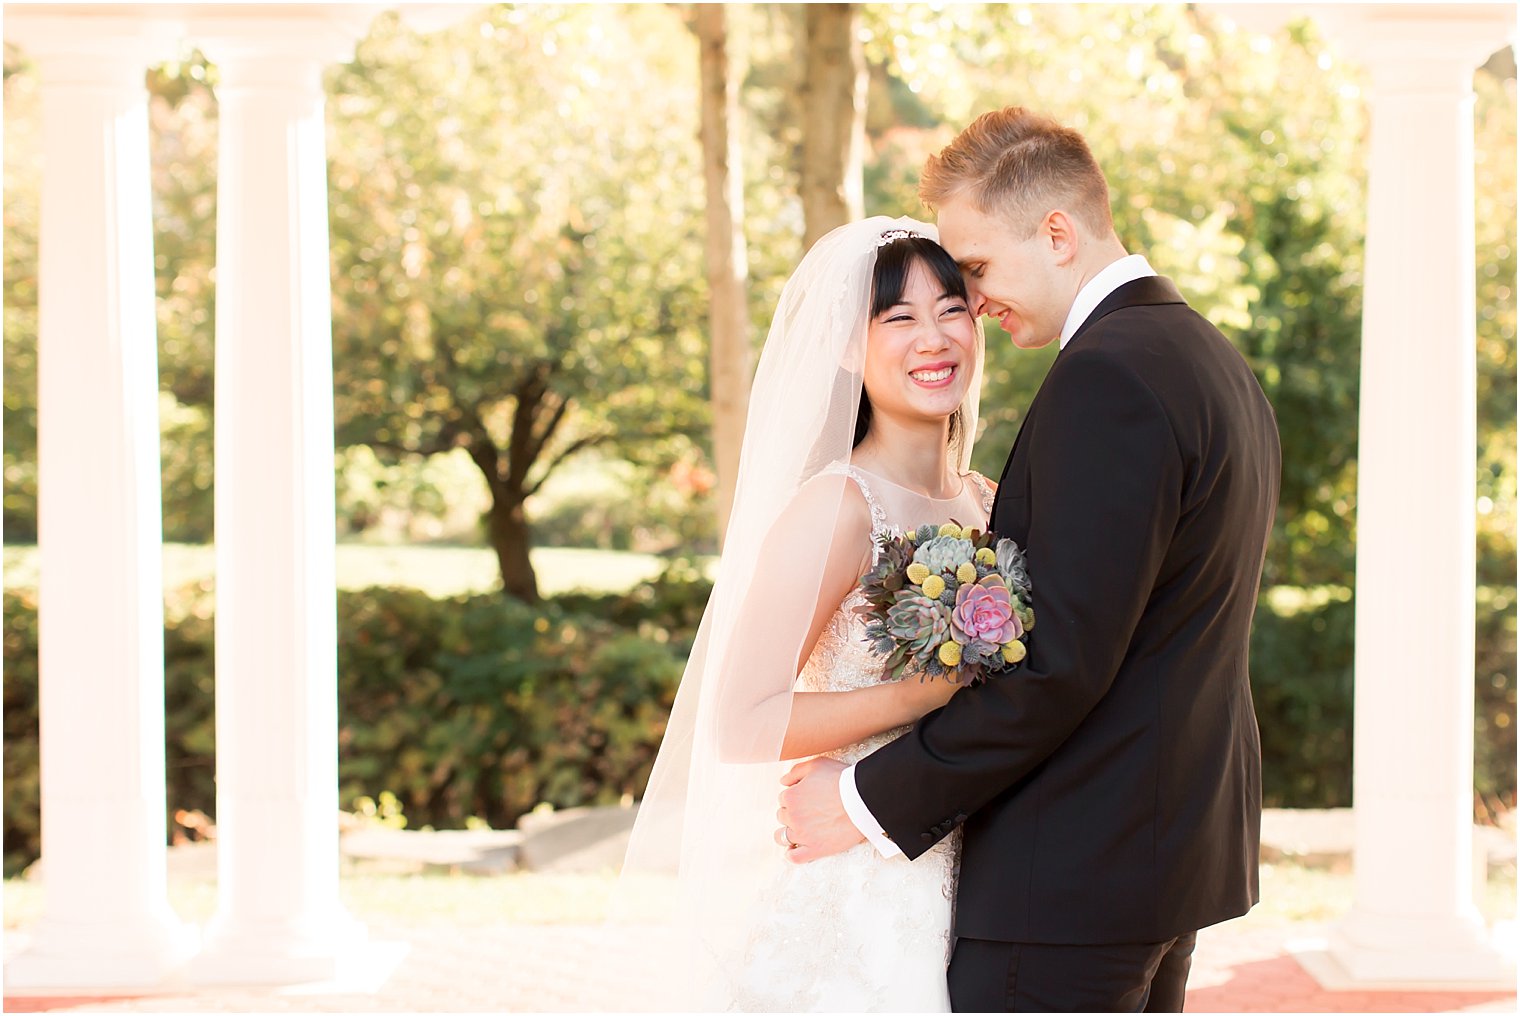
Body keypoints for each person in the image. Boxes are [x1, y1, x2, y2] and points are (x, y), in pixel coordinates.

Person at [779, 106, 1282, 1012]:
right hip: (1156, 858)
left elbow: (1057, 663)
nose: (972, 304)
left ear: (1057, 232)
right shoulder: (1205, 356)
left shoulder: (1108, 376)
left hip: (1074, 874)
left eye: (973, 270)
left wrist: (864, 798)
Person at [611, 216, 995, 1011]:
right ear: (850, 348)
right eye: (899, 317)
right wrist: (921, 694)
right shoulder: (838, 507)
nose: (934, 337)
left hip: (982, 876)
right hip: (863, 895)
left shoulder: (989, 499)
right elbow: (743, 722)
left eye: (951, 309)